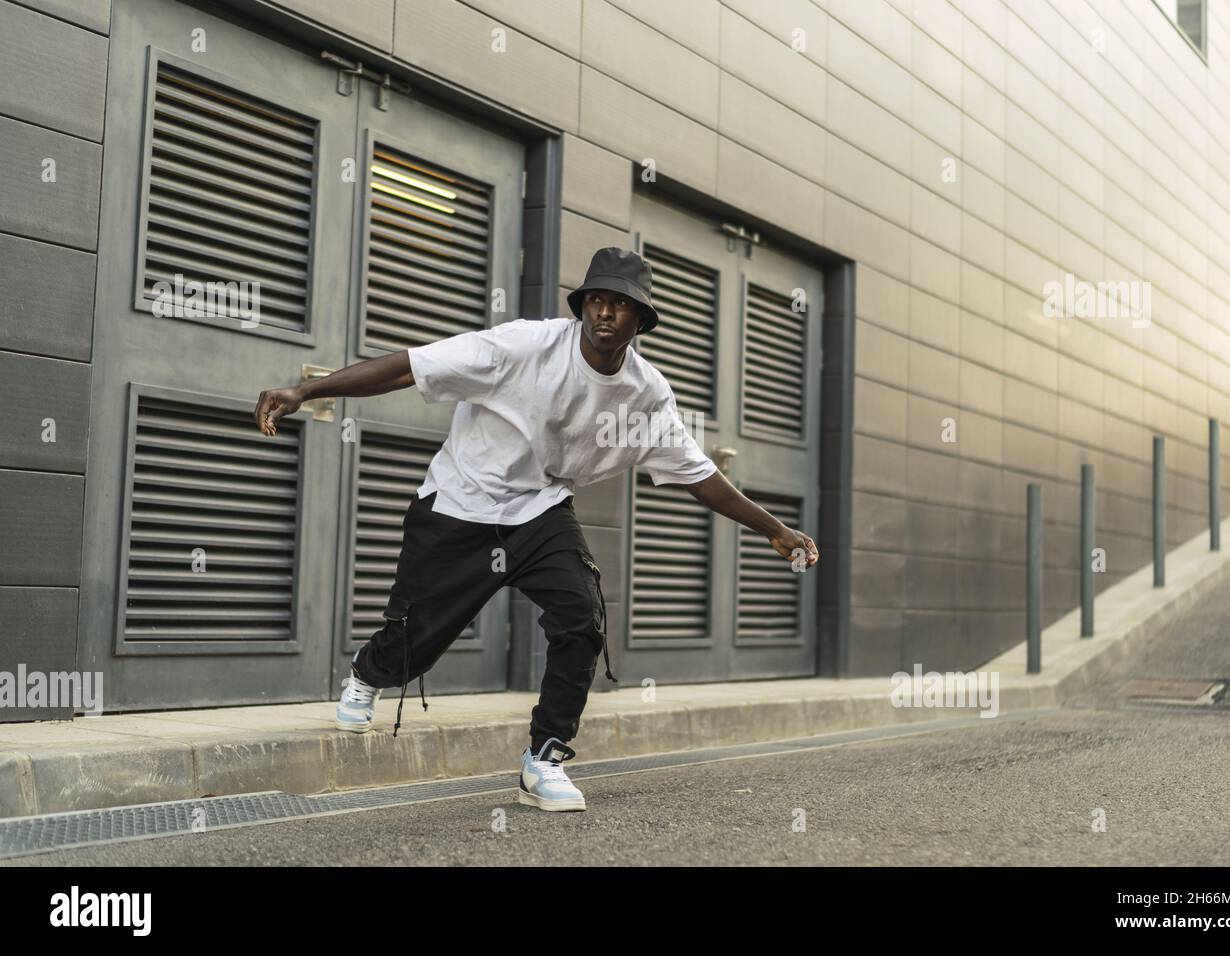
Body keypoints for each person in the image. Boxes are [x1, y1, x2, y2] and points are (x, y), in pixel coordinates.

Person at [252, 247, 819, 811]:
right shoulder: (523, 345)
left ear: (640, 320)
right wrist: (308, 391)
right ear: (582, 306)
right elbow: (410, 366)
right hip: (458, 502)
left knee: (581, 621)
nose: (604, 313)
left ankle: (544, 758)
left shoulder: (646, 395)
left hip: (538, 511)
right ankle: (368, 673)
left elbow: (698, 474)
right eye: (595, 300)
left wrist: (773, 528)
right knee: (413, 644)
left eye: (620, 306)